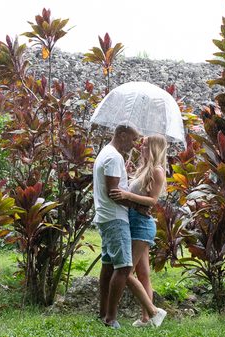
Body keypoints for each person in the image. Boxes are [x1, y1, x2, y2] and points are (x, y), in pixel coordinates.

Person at [92, 125, 167, 329]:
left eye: (142, 145)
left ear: (152, 148)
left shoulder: (157, 171)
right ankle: (147, 316)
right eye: (136, 141)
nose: (137, 146)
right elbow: (118, 189)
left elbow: (152, 200)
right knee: (139, 272)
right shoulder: (138, 167)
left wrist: (129, 197)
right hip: (129, 221)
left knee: (126, 270)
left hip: (140, 224)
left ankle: (151, 313)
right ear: (123, 136)